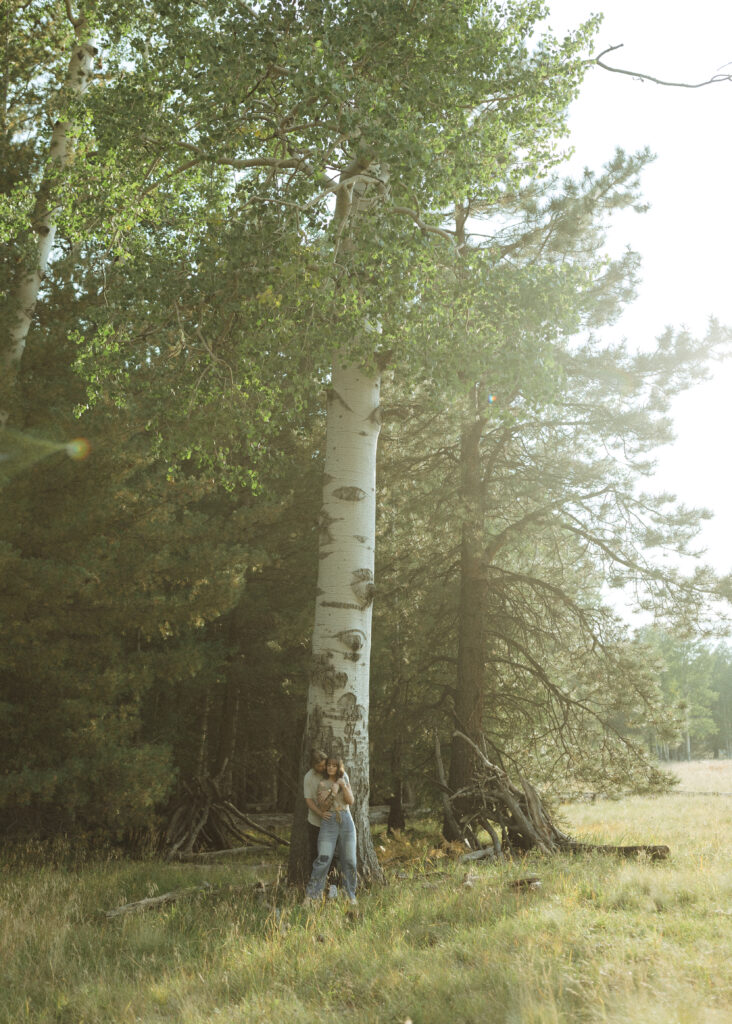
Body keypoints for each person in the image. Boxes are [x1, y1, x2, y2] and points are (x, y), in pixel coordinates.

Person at [304, 755, 357, 906]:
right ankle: (311, 896)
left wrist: (343, 786)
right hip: (329, 822)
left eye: (334, 766)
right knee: (323, 859)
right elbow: (323, 808)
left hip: (346, 820)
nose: (331, 768)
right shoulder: (322, 784)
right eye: (329, 766)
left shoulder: (343, 779)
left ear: (339, 767)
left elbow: (350, 801)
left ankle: (350, 895)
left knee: (350, 860)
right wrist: (333, 792)